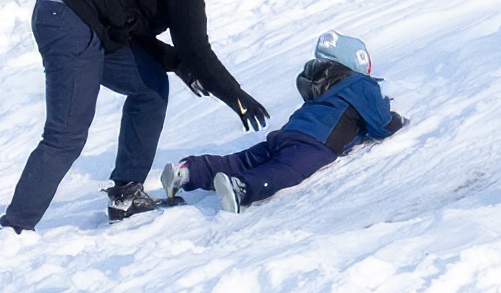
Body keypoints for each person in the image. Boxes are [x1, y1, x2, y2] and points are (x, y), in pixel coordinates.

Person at [6, 0, 266, 231]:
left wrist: (175, 62)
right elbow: (194, 45)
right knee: (67, 134)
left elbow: (129, 22)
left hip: (83, 21)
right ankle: (15, 227)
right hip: (69, 19)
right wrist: (234, 94)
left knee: (150, 86)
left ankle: (127, 194)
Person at [148, 33, 406, 213]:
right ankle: (241, 189)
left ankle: (189, 170)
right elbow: (381, 123)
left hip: (288, 134)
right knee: (285, 171)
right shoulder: (362, 85)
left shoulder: (323, 85)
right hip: (314, 145)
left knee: (240, 160)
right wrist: (397, 121)